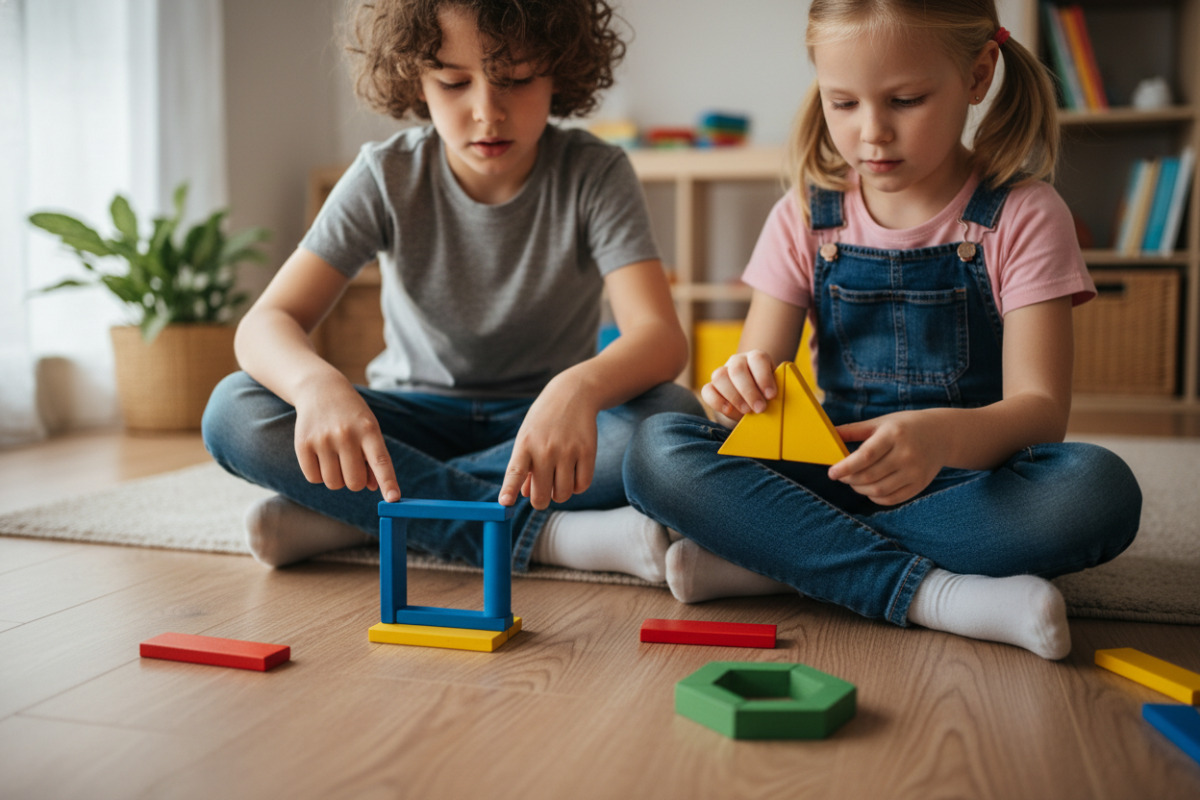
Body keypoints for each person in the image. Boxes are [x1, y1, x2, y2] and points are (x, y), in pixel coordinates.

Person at [624, 0, 1142, 660]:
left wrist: (938, 436)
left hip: (968, 487)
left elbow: (1041, 414)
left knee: (1099, 491)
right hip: (827, 476)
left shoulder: (1024, 212)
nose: (872, 133)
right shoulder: (803, 218)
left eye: (905, 100)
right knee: (657, 448)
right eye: (843, 103)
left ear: (979, 75)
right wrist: (737, 387)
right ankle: (935, 595)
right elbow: (757, 378)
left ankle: (775, 558)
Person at [202, 0, 702, 580]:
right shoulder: (385, 174)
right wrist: (316, 385)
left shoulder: (596, 173)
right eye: (453, 82)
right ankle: (544, 538)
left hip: (539, 428)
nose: (487, 112)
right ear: (414, 78)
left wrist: (579, 390)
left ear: (559, 71)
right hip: (406, 421)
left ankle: (361, 518)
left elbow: (660, 338)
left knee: (669, 417)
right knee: (233, 411)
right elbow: (268, 321)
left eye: (515, 80)